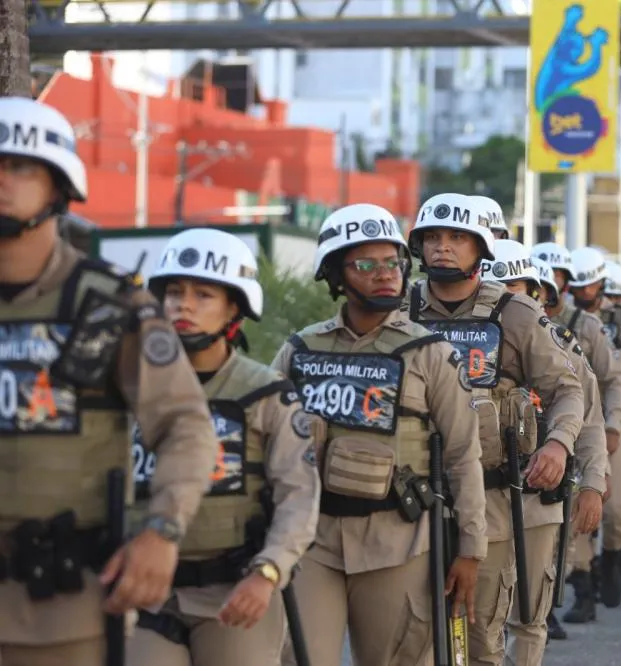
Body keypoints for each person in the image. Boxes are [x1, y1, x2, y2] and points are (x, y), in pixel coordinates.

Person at [0, 96, 219, 666]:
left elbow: (186, 428)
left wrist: (163, 531)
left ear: (58, 187)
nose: (2, 179)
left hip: (64, 606)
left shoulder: (110, 303)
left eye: (19, 165)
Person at [272, 203, 488, 665]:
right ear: (335, 275)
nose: (384, 274)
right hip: (314, 542)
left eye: (393, 263)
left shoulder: (431, 353)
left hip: (401, 544)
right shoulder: (299, 349)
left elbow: (462, 455)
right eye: (366, 264)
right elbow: (266, 442)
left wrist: (470, 548)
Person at [403, 193, 584, 666]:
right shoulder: (397, 311)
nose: (442, 248)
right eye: (433, 238)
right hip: (407, 501)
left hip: (490, 500)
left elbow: (568, 389)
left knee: (478, 637)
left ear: (482, 248)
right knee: (408, 637)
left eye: (457, 238)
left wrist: (559, 445)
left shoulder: (516, 314)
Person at [128, 228, 320, 665]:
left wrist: (268, 571)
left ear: (235, 307)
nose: (184, 305)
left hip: (235, 590)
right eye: (174, 292)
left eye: (203, 295)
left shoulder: (266, 392)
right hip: (146, 591)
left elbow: (299, 494)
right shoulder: (130, 384)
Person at [483, 246, 606, 665]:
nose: (504, 294)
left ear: (537, 293)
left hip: (537, 494)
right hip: (479, 489)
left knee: (529, 611)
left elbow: (587, 416)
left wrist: (593, 484)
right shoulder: (464, 339)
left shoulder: (559, 345)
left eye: (514, 285)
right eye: (495, 284)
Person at [529, 242, 621, 630]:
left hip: (575, 432)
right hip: (522, 438)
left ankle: (555, 603)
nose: (546, 286)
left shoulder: (583, 327)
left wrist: (613, 426)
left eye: (556, 278)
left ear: (565, 283)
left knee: (569, 528)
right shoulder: (507, 322)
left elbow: (612, 380)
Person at [566, 249, 621, 611]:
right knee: (578, 507)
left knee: (618, 509)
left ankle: (615, 561)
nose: (581, 289)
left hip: (612, 424)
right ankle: (583, 588)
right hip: (573, 420)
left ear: (601, 283)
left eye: (588, 283)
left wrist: (603, 360)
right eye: (576, 283)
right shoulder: (563, 318)